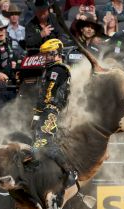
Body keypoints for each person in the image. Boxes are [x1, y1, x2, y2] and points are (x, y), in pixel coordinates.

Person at [32, 38, 77, 187]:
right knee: (38, 140)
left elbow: (48, 93)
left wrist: (38, 113)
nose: (45, 57)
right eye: (45, 55)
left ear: (56, 53)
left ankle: (70, 172)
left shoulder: (58, 70)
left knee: (44, 141)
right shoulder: (53, 69)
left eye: (48, 54)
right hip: (48, 110)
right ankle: (43, 172)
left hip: (51, 110)